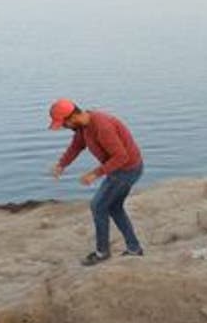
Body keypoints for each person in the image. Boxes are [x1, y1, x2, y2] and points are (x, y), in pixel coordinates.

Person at [49, 98, 145, 266]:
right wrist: (62, 164)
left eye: (63, 125)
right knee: (114, 208)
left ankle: (102, 253)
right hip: (120, 169)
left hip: (127, 169)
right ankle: (134, 249)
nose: (64, 128)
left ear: (72, 118)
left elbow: (122, 156)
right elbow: (76, 146)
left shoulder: (102, 126)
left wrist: (95, 174)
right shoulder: (83, 127)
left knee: (98, 206)